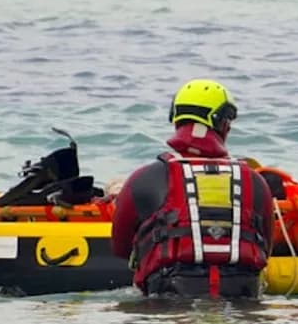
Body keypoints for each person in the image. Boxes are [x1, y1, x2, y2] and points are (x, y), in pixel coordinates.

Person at [111, 79, 275, 299]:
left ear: (176, 119)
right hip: (242, 304)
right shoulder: (255, 183)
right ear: (223, 124)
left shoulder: (143, 179)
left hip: (169, 303)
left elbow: (121, 249)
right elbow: (267, 248)